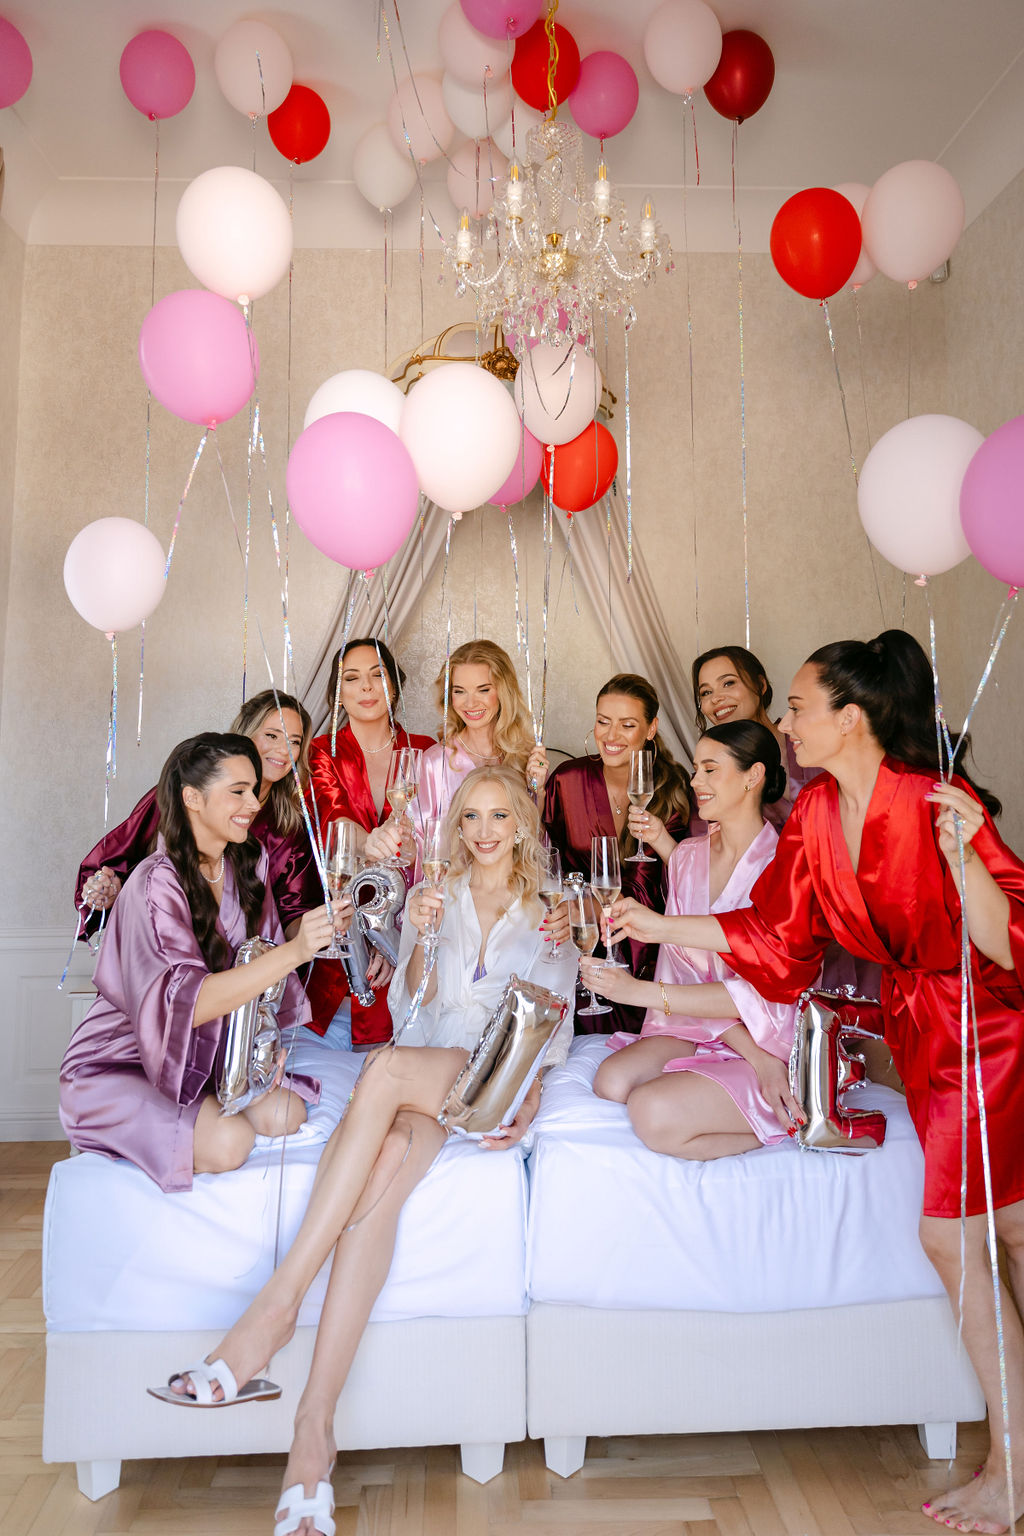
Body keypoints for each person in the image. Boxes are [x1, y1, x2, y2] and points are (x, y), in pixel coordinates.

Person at [610, 630, 1024, 1535]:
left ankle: (1011, 1471)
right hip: (921, 1032)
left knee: (960, 1239)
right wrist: (656, 922)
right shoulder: (815, 815)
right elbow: (773, 938)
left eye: (796, 706)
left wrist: (970, 862)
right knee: (1000, 1236)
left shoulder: (939, 803)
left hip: (989, 1029)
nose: (784, 724)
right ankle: (1017, 1465)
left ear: (852, 715)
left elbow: (1009, 944)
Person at [150, 766, 575, 1536]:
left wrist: (535, 1090)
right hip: (426, 1082)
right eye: (471, 817)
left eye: (499, 817)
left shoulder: (549, 913)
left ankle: (274, 1311)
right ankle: (312, 1441)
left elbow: (554, 1019)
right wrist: (420, 931)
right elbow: (408, 1005)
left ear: (521, 826)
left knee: (379, 1072)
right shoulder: (433, 897)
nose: (484, 832)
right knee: (379, 1162)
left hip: (485, 1080)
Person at [60, 734, 340, 1193]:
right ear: (192, 797)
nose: (253, 802)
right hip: (121, 1062)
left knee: (287, 1113)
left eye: (253, 789)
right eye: (238, 791)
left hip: (205, 1053)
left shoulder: (247, 865)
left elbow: (265, 974)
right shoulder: (154, 883)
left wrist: (262, 1051)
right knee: (231, 1142)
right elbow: (185, 1002)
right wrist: (297, 950)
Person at [585, 721, 803, 1157]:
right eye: (695, 770)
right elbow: (683, 975)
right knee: (611, 1082)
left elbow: (765, 993)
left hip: (768, 1037)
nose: (694, 782)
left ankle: (797, 1123)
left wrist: (761, 1058)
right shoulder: (686, 859)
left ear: (752, 776)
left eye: (709, 770)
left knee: (651, 1110)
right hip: (701, 1025)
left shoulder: (783, 869)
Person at [75, 690, 320, 943]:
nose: (284, 751)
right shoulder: (186, 792)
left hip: (243, 965)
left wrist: (319, 930)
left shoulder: (292, 827)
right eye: (272, 736)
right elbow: (118, 861)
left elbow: (292, 912)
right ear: (246, 733)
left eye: (294, 742)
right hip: (165, 947)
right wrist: (111, 891)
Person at [305, 638, 435, 1049]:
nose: (366, 688)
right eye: (352, 679)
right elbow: (336, 824)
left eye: (377, 676)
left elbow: (438, 845)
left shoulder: (425, 751)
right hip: (346, 918)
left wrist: (396, 936)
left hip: (416, 916)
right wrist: (374, 932)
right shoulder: (322, 753)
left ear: (393, 686)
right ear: (337, 693)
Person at [543, 672, 691, 1032]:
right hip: (577, 936)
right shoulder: (567, 779)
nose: (610, 736)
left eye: (627, 725)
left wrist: (596, 905)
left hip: (644, 948)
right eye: (602, 722)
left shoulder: (671, 788)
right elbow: (545, 858)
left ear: (651, 728)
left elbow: (655, 887)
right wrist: (575, 902)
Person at [418, 639, 549, 824]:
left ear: (504, 691)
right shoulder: (435, 763)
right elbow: (422, 841)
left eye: (483, 690)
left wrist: (537, 789)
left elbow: (535, 838)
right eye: (459, 691)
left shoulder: (526, 757)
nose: (470, 703)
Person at [690, 644, 818, 820]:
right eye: (706, 692)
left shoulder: (812, 741)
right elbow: (703, 844)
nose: (716, 698)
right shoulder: (706, 777)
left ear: (760, 684)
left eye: (728, 683)